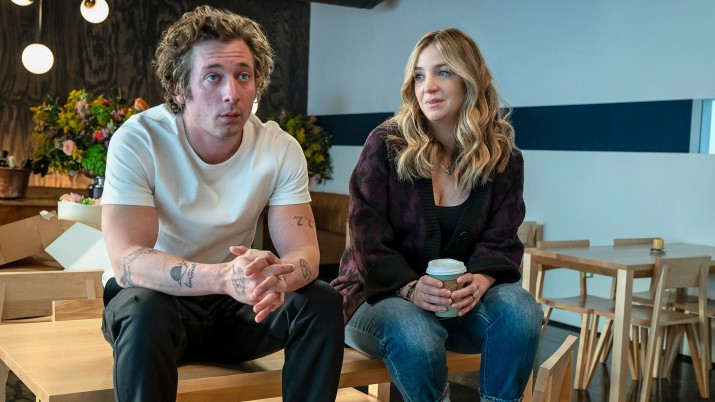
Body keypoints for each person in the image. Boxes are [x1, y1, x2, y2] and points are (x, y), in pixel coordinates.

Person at [100, 6, 344, 402]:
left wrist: (274, 279)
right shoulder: (140, 139)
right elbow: (127, 260)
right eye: (213, 76)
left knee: (321, 301)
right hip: (157, 309)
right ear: (179, 88)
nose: (232, 92)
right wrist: (221, 277)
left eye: (243, 75)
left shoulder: (279, 148)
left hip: (237, 309)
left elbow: (305, 254)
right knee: (144, 307)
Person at [331, 28, 543, 402]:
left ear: (469, 79)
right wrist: (411, 288)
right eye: (419, 75)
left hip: (457, 306)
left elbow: (502, 239)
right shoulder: (386, 145)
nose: (428, 86)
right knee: (416, 331)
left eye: (442, 72)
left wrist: (482, 279)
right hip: (376, 298)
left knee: (522, 310)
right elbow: (366, 240)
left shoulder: (504, 159)